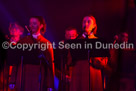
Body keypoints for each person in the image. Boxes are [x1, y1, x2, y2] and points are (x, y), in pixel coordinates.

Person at [9, 16, 54, 91]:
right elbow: (15, 62)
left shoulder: (46, 43)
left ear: (41, 25)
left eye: (34, 23)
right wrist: (12, 80)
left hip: (38, 78)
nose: (31, 26)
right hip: (23, 76)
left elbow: (50, 66)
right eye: (30, 23)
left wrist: (50, 84)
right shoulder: (22, 41)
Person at [69, 15, 109, 91]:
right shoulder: (76, 41)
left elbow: (104, 62)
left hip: (93, 75)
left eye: (89, 22)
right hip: (79, 75)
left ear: (94, 25)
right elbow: (69, 60)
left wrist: (93, 57)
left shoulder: (99, 42)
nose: (86, 24)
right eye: (84, 22)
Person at [54, 27, 78, 91]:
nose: (70, 38)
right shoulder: (60, 49)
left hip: (77, 80)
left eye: (73, 36)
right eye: (68, 36)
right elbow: (54, 66)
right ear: (65, 36)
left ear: (77, 36)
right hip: (64, 82)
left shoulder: (80, 49)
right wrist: (63, 76)